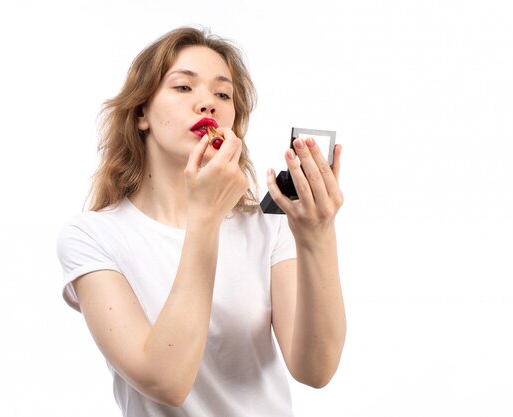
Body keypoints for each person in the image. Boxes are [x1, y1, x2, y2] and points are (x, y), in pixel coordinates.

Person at [57, 26, 346, 417]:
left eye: (222, 94)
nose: (207, 104)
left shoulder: (266, 226)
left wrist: (317, 235)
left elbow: (316, 369)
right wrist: (205, 219)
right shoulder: (93, 237)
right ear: (141, 113)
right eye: (183, 88)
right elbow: (168, 381)